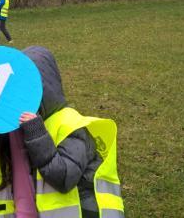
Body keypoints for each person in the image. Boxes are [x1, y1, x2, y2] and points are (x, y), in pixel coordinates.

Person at [18, 46, 124, 218]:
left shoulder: (71, 126)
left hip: (86, 212)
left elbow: (63, 176)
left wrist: (36, 133)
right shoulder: (39, 121)